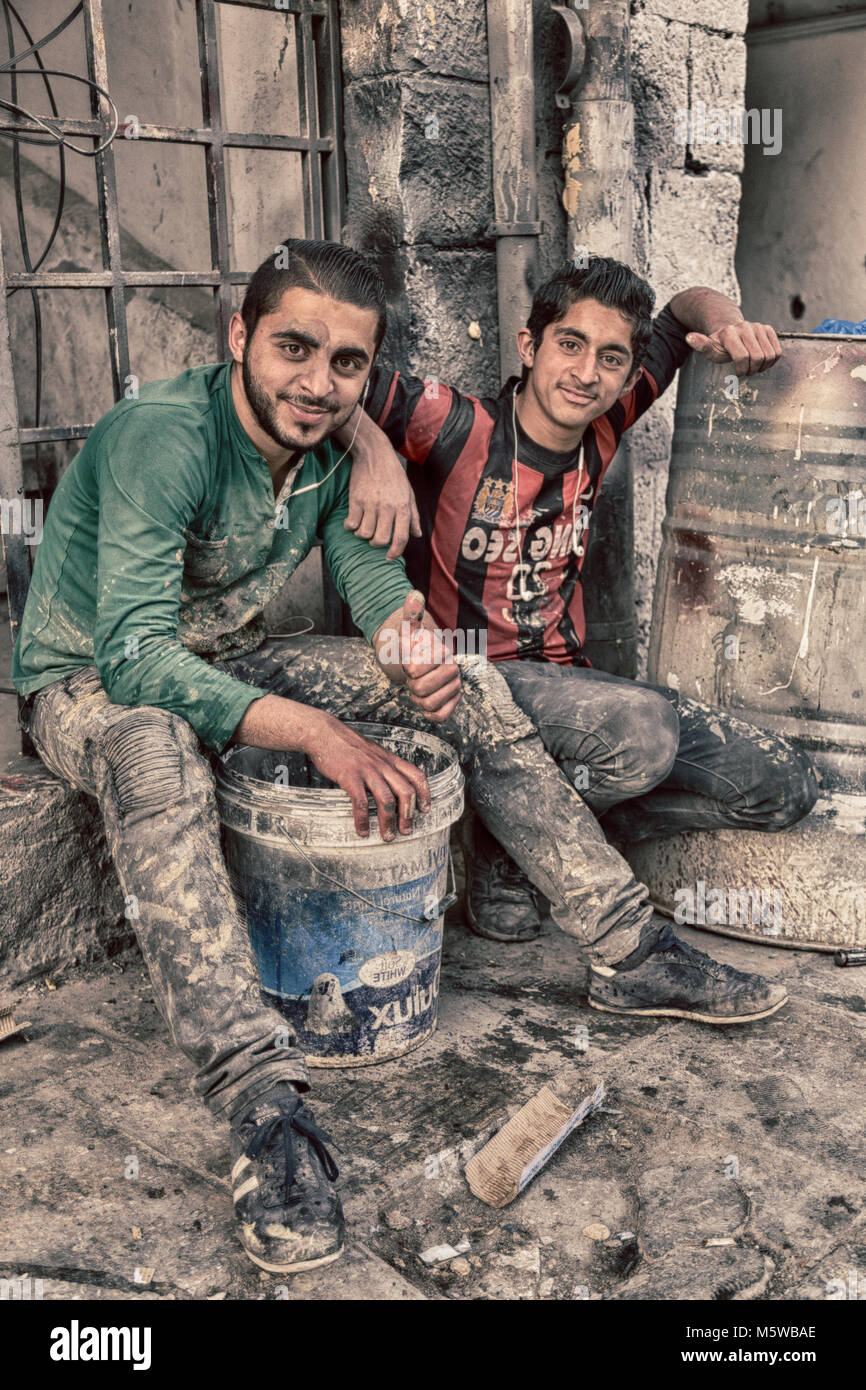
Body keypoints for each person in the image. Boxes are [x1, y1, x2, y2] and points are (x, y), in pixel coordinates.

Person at [15, 240, 784, 1281]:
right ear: (240, 337)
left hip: (234, 656)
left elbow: (367, 576)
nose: (316, 382)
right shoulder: (165, 436)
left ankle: (627, 950)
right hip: (88, 684)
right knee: (154, 750)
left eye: (344, 364)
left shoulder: (332, 447)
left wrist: (411, 645)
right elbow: (136, 656)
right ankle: (262, 1109)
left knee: (464, 675)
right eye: (293, 348)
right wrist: (318, 732)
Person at [345, 254, 818, 953]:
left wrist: (730, 326)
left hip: (572, 689)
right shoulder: (452, 423)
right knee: (641, 732)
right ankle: (509, 853)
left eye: (610, 357)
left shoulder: (609, 414)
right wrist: (371, 451)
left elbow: (687, 304)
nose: (587, 372)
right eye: (569, 344)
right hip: (471, 680)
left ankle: (526, 840)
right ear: (530, 346)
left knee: (780, 785)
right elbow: (332, 384)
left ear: (630, 375)